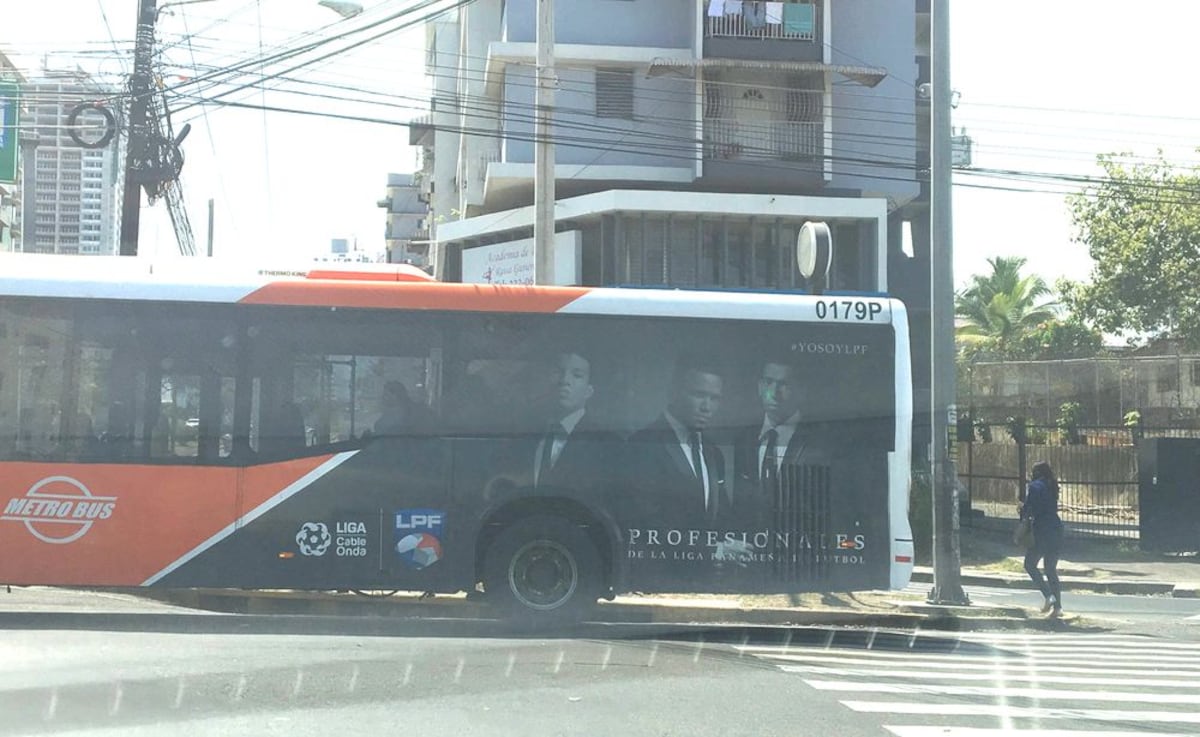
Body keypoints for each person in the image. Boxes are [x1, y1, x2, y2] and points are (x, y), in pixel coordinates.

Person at [626, 360, 730, 529]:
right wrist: (710, 548)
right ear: (674, 393)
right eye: (699, 395)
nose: (707, 407)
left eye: (714, 398)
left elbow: (720, 516)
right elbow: (644, 520)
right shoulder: (643, 444)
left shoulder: (713, 452)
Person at [734, 358, 811, 527]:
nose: (774, 393)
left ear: (801, 390)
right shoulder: (743, 439)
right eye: (769, 382)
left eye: (785, 385)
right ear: (760, 387)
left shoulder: (818, 441)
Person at [527, 351, 616, 492]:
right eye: (558, 372)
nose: (564, 380)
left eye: (577, 375)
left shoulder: (605, 442)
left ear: (589, 390)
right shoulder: (525, 432)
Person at [1022, 460, 1065, 618]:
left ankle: (1048, 596)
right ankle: (1058, 607)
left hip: (1042, 531)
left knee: (1029, 564)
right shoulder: (1052, 486)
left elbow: (1030, 508)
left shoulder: (1034, 487)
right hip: (1056, 530)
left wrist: (1022, 509)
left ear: (1036, 473)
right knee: (1050, 569)